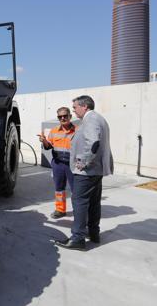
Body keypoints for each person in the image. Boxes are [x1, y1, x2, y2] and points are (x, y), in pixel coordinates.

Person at [55, 95, 114, 251]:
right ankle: (94, 233)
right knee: (94, 202)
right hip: (96, 170)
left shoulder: (91, 120)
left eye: (75, 107)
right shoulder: (99, 119)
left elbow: (93, 143)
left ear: (84, 106)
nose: (73, 110)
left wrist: (83, 161)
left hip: (87, 171)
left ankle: (78, 238)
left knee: (79, 202)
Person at [38, 107, 76, 219]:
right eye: (60, 117)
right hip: (58, 164)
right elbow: (48, 146)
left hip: (72, 165)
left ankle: (78, 210)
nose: (63, 118)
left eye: (65, 116)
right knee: (59, 188)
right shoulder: (54, 131)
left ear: (70, 116)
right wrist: (44, 140)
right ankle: (60, 210)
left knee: (76, 189)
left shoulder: (78, 130)